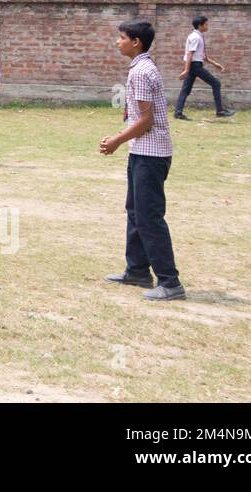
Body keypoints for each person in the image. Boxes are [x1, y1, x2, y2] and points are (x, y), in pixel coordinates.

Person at [100, 20, 185, 301]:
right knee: (136, 210)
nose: (117, 42)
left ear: (136, 42)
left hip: (152, 153)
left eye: (121, 37)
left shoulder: (142, 72)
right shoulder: (140, 67)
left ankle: (170, 282)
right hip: (142, 150)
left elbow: (147, 121)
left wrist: (116, 141)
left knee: (149, 216)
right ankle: (137, 271)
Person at [173, 15, 235, 120]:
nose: (208, 26)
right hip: (195, 66)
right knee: (216, 83)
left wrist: (215, 64)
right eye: (206, 24)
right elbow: (190, 54)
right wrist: (186, 70)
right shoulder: (195, 37)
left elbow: (203, 56)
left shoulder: (199, 36)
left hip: (195, 65)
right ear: (200, 25)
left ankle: (178, 113)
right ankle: (220, 111)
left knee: (185, 90)